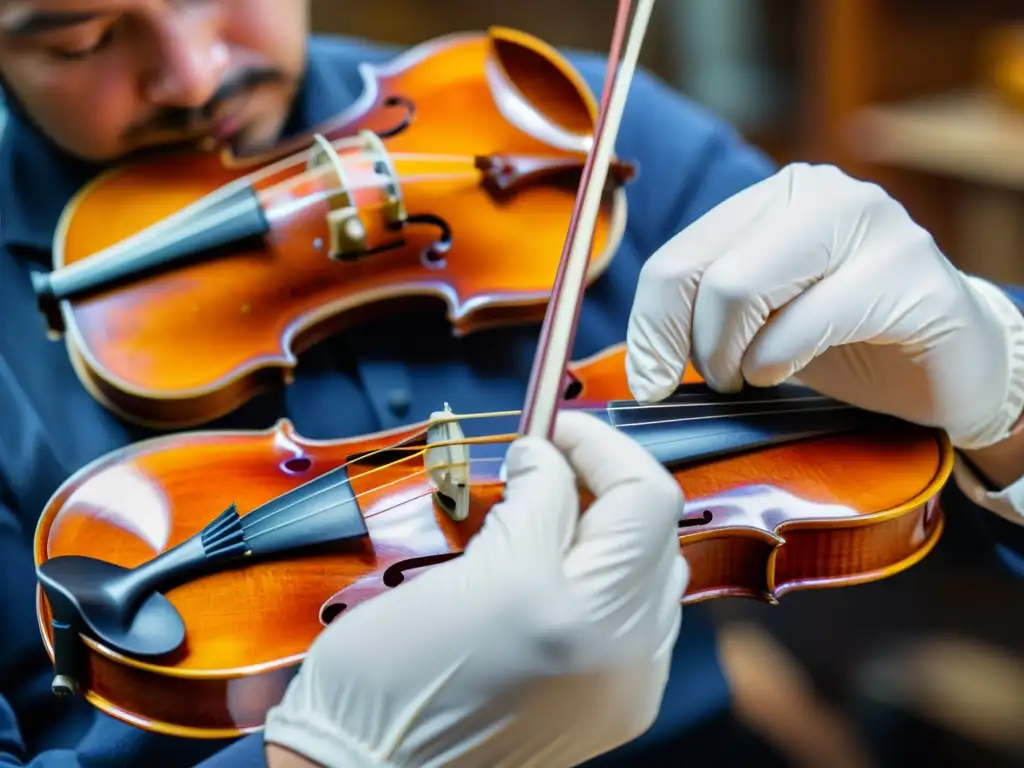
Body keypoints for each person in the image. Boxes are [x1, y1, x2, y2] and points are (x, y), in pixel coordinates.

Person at [0, 2, 1019, 767]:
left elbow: (897, 480)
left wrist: (1002, 403)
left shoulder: (541, 124)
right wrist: (319, 755)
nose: (193, 72)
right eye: (81, 39)